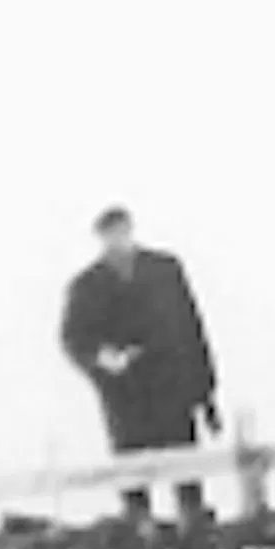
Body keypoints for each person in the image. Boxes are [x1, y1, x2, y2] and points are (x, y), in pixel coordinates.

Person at [58, 208, 220, 532]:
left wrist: (206, 392)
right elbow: (74, 338)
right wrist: (102, 358)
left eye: (121, 231)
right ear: (99, 239)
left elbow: (190, 327)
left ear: (131, 230)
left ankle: (193, 524)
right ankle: (140, 529)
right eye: (108, 235)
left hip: (170, 383)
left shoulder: (165, 271)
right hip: (125, 392)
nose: (116, 240)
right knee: (132, 469)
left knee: (183, 461)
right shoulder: (87, 286)